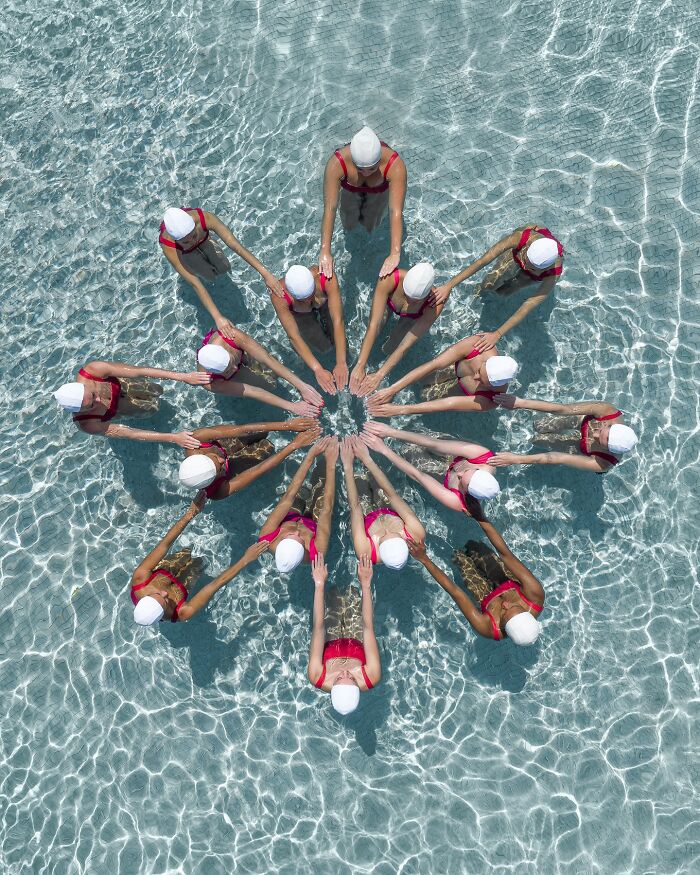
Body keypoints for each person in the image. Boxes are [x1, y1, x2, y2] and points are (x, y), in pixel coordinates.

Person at [407, 500, 544, 644]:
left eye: (504, 614)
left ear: (503, 628)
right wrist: (479, 516)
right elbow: (505, 554)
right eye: (515, 606)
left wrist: (424, 559)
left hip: (483, 595)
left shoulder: (487, 628)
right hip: (505, 580)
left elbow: (455, 591)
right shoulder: (534, 595)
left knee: (459, 557)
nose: (505, 605)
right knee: (474, 547)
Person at [130, 493, 269, 625]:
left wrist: (191, 513)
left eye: (158, 594)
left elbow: (164, 545)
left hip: (163, 571)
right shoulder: (182, 613)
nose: (165, 593)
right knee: (198, 564)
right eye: (166, 600)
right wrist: (245, 559)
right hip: (181, 586)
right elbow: (215, 584)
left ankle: (186, 557)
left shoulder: (140, 579)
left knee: (185, 554)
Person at [430, 224, 564, 353]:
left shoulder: (553, 273)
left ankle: (504, 291)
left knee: (507, 291)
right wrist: (449, 285)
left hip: (535, 271)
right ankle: (478, 297)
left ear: (547, 268)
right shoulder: (520, 238)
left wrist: (498, 333)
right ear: (527, 248)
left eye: (532, 268)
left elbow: (529, 304)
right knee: (488, 283)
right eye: (525, 259)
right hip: (520, 251)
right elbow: (483, 261)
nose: (524, 266)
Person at [159, 206, 284, 339]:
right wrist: (218, 317)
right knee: (208, 276)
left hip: (204, 238)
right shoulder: (169, 245)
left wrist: (265, 274)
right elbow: (195, 284)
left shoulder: (205, 219)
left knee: (224, 267)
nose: (192, 241)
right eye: (186, 241)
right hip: (185, 253)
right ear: (176, 240)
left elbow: (236, 246)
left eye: (194, 235)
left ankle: (203, 248)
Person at [53, 359, 211, 447]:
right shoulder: (88, 423)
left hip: (124, 384)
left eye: (93, 395)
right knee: (153, 409)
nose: (99, 400)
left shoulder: (93, 370)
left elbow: (138, 371)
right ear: (79, 411)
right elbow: (130, 433)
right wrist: (173, 437)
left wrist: (182, 377)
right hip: (122, 410)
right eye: (91, 405)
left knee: (157, 389)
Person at [319, 126, 407, 280]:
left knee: (373, 224)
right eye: (360, 169)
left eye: (372, 169)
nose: (366, 173)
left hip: (379, 190)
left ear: (379, 161)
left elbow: (396, 211)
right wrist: (325, 251)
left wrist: (395, 253)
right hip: (350, 188)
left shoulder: (395, 166)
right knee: (349, 224)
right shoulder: (336, 164)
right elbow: (330, 208)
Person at [367, 333, 519, 417]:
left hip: (461, 392)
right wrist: (393, 389)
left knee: (425, 395)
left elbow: (449, 404)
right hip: (454, 368)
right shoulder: (476, 346)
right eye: (480, 371)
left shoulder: (492, 400)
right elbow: (435, 364)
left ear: (494, 386)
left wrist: (400, 409)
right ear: (487, 361)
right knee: (423, 379)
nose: (476, 378)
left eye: (483, 382)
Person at [361, 422, 501, 514]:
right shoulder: (483, 457)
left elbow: (418, 475)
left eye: (461, 481)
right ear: (478, 470)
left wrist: (383, 449)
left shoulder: (457, 501)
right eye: (467, 471)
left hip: (442, 476)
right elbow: (434, 443)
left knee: (407, 452)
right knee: (413, 431)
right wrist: (391, 431)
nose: (459, 474)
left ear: (466, 492)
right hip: (451, 454)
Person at [349, 262, 444, 396]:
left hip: (412, 317)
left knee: (394, 344)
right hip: (390, 303)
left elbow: (405, 345)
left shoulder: (434, 305)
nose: (409, 302)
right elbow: (373, 324)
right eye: (406, 295)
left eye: (415, 300)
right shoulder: (390, 279)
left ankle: (383, 354)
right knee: (378, 325)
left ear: (427, 294)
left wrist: (379, 375)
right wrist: (360, 364)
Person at [196, 320, 323, 415]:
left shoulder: (231, 336)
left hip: (236, 349)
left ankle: (235, 362)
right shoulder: (210, 382)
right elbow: (253, 392)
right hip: (222, 374)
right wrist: (292, 407)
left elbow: (268, 359)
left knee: (272, 368)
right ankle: (232, 366)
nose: (235, 368)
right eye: (228, 370)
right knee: (270, 386)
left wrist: (302, 386)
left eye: (232, 362)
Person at [307, 553, 381, 714]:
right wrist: (366, 585)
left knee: (332, 590)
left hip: (330, 635)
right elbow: (368, 627)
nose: (345, 672)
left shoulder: (317, 676)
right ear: (358, 686)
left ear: (332, 686)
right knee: (352, 590)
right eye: (353, 678)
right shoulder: (371, 676)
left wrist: (319, 585)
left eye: (339, 678)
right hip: (356, 633)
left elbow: (318, 627)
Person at [178, 419, 321, 501]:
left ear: (200, 455)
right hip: (232, 471)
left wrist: (288, 425)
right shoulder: (217, 491)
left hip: (225, 445)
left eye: (215, 459)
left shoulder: (196, 441)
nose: (222, 461)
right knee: (267, 448)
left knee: (262, 430)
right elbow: (259, 470)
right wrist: (294, 445)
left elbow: (242, 430)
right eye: (219, 469)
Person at [490, 396, 638, 473]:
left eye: (601, 442)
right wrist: (521, 403)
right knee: (539, 425)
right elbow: (562, 409)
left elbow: (556, 458)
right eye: (601, 430)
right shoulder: (607, 411)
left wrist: (516, 459)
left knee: (537, 440)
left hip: (579, 448)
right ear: (611, 424)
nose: (594, 435)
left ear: (608, 450)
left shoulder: (603, 462)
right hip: (580, 421)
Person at [341, 436, 425, 569]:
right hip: (387, 506)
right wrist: (367, 459)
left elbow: (355, 507)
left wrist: (347, 465)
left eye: (382, 537)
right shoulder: (415, 533)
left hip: (365, 514)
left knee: (359, 483)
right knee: (375, 474)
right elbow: (393, 496)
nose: (386, 531)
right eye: (393, 534)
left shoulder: (365, 552)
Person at [257, 436, 338, 572]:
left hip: (291, 515)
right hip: (315, 524)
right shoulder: (316, 552)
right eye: (301, 540)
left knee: (299, 493)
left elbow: (289, 495)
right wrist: (331, 463)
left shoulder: (268, 538)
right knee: (324, 478)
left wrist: (310, 456)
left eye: (290, 536)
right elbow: (327, 509)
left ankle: (308, 489)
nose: (297, 533)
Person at [269, 264, 348, 394]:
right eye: (302, 300)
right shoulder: (279, 295)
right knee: (324, 347)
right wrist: (317, 369)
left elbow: (338, 320)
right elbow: (293, 336)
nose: (308, 302)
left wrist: (341, 362)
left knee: (337, 339)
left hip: (323, 300)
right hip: (301, 315)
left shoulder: (326, 278)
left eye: (310, 296)